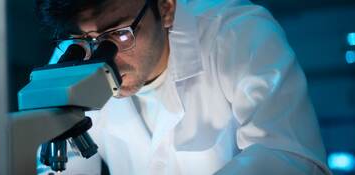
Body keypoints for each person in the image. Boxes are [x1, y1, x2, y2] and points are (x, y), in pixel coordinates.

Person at [35, 0, 332, 174]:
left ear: (165, 7)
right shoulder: (76, 55)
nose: (103, 59)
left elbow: (293, 160)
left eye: (120, 34)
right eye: (87, 39)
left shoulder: (237, 34)